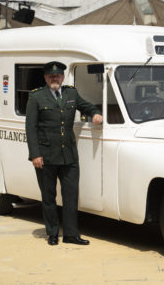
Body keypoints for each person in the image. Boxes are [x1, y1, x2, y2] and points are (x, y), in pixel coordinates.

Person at [25, 61, 103, 246]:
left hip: (68, 156)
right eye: (51, 76)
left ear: (63, 77)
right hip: (46, 157)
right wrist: (35, 154)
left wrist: (95, 114)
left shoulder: (71, 93)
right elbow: (30, 128)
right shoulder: (36, 97)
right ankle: (52, 233)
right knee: (49, 197)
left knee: (71, 197)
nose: (55, 78)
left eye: (58, 75)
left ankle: (71, 234)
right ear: (45, 78)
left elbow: (87, 106)